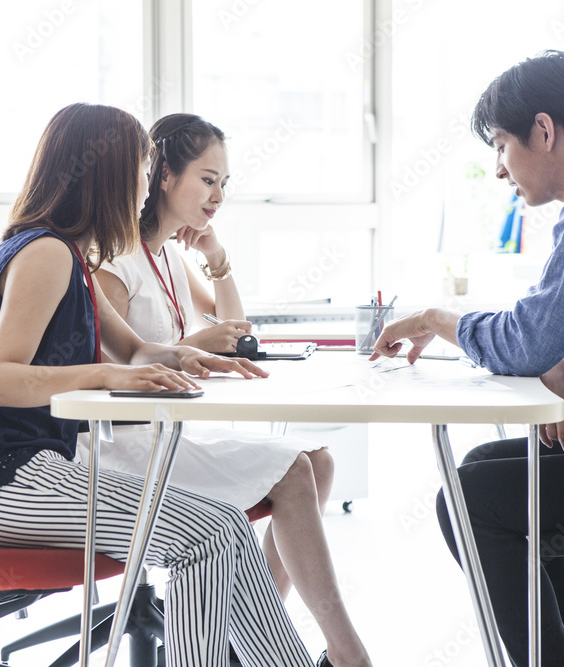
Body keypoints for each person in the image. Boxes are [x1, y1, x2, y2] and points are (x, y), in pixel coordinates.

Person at [0, 102, 316, 666]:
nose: (144, 185)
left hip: (31, 469)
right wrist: (109, 373)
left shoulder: (70, 257)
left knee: (223, 522)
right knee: (205, 536)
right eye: (139, 170)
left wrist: (189, 355)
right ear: (106, 176)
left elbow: (134, 348)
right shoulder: (44, 254)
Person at [371, 51, 564, 667]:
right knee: (486, 466)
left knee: (472, 498)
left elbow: (528, 337)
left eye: (501, 145)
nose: (499, 170)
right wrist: (557, 360)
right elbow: (550, 328)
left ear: (543, 129)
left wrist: (436, 319)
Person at [86, 113, 372, 667]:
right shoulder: (118, 261)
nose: (217, 196)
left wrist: (217, 259)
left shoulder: (168, 252)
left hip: (168, 435)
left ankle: (250, 634)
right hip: (122, 446)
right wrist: (201, 341)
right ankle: (345, 653)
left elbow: (237, 332)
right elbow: (106, 367)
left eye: (224, 184)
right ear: (164, 175)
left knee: (319, 463)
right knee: (295, 472)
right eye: (207, 179)